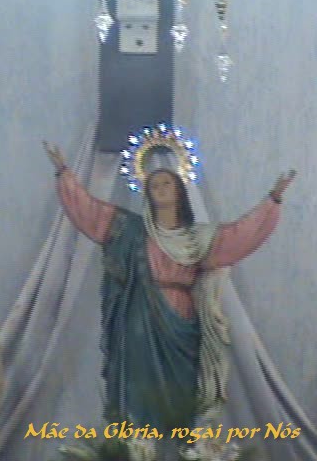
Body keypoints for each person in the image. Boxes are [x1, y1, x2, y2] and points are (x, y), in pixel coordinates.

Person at [43, 140, 296, 436]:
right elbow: (91, 212)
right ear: (147, 193)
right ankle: (136, 447)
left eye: (167, 183)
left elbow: (238, 236)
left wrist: (272, 200)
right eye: (154, 185)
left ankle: (182, 447)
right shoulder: (130, 229)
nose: (161, 188)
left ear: (179, 190)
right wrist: (64, 173)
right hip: (138, 323)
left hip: (182, 323)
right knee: (137, 393)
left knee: (182, 395)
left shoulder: (197, 238)